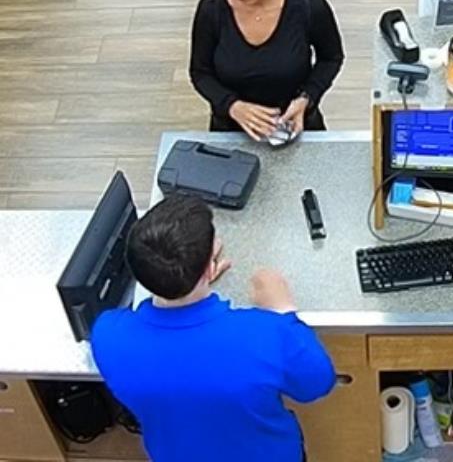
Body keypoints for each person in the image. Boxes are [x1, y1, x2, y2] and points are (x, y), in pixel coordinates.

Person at [91, 194, 335, 462]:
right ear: (209, 267)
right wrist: (283, 310)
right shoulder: (267, 335)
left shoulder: (107, 336)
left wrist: (190, 280)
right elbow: (317, 384)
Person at [189, 0, 344, 140]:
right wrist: (232, 106)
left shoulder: (309, 4)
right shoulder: (210, 9)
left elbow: (331, 58)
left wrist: (306, 99)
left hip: (296, 127)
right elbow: (200, 73)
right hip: (232, 132)